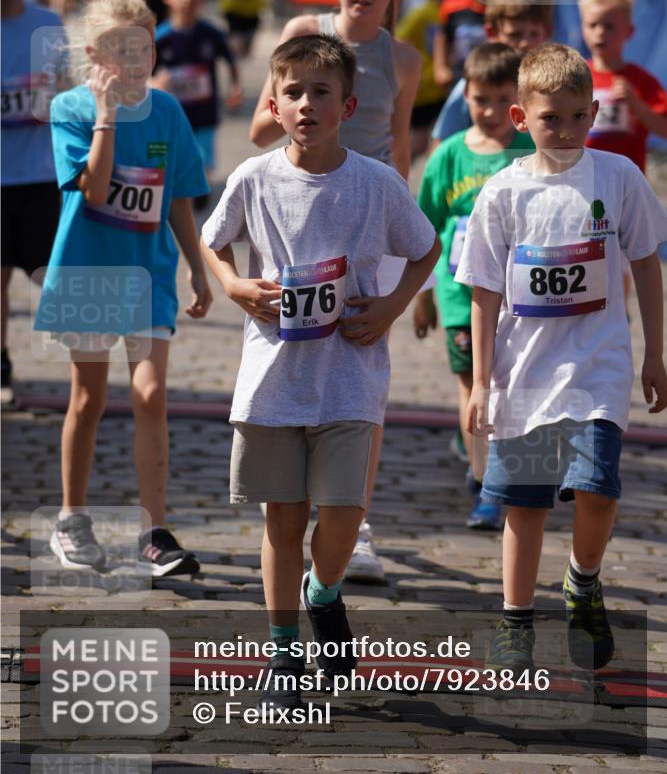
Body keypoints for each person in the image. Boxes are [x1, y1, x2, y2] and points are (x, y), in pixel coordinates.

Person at [201, 34, 439, 708]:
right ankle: (282, 654)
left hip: (349, 375)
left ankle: (322, 591)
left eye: (321, 92)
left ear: (348, 104)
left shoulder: (376, 182)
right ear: (273, 104)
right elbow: (212, 242)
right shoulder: (252, 179)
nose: (307, 103)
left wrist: (392, 305)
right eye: (294, 92)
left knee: (341, 514)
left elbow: (424, 249)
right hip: (274, 380)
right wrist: (232, 286)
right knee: (282, 521)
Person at [456, 43, 667, 673]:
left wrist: (656, 350)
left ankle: (583, 579)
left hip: (597, 368)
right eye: (552, 119)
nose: (568, 131)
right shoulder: (503, 193)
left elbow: (647, 264)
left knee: (597, 489)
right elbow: (484, 293)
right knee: (525, 504)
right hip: (523, 375)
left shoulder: (618, 178)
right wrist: (480, 384)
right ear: (522, 119)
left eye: (580, 116)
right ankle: (515, 616)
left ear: (595, 110)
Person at [248, 0, 423, 583]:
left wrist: (407, 258)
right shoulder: (301, 29)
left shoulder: (402, 59)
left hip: (368, 226)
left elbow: (398, 146)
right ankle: (291, 496)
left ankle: (356, 521)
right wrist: (295, 106)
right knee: (297, 356)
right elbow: (264, 124)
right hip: (301, 219)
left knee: (360, 375)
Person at [34, 0, 213, 578]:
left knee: (150, 394)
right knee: (89, 399)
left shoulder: (167, 111)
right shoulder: (70, 110)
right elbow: (93, 187)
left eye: (142, 48)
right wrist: (107, 116)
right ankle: (71, 519)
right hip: (89, 271)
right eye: (119, 50)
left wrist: (197, 265)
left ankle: (153, 532)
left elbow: (181, 198)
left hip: (148, 274)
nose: (134, 61)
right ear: (94, 53)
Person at [413, 44, 533, 529]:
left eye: (501, 100)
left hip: (522, 299)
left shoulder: (530, 154)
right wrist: (421, 296)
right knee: (474, 385)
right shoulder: (448, 156)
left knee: (517, 385)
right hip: (462, 298)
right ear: (465, 94)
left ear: (520, 101)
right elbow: (422, 229)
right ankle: (484, 484)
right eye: (479, 99)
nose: (488, 111)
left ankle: (518, 469)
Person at [1, 0, 67, 404]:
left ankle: (90, 361)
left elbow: (66, 91)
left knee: (56, 276)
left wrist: (52, 100)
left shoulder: (48, 24)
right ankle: (1, 364)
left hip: (42, 175)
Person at [153, 0, 242, 208]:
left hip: (204, 110)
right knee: (170, 157)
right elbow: (144, 74)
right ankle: (170, 192)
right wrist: (154, 84)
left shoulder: (211, 33)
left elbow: (231, 60)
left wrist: (235, 86)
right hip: (171, 113)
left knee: (202, 158)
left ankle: (200, 191)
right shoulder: (159, 37)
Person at [431, 0, 553, 145]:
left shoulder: (551, 83)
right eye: (515, 35)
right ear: (491, 33)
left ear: (546, 32)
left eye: (534, 34)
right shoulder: (477, 83)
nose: (526, 43)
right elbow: (443, 143)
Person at [579, 0, 667, 173]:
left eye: (609, 26)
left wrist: (636, 104)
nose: (600, 32)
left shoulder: (640, 80)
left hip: (627, 182)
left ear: (629, 32)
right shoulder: (575, 76)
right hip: (583, 178)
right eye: (592, 25)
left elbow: (664, 129)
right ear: (582, 28)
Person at [396, 0, 458, 159]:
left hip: (449, 89)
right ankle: (397, 175)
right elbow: (400, 40)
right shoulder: (422, 14)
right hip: (426, 91)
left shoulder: (459, 11)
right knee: (419, 142)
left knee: (445, 141)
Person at [431, 0, 506, 90]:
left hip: (497, 81)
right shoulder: (452, 6)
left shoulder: (508, 11)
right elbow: (442, 37)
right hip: (460, 81)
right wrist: (440, 68)